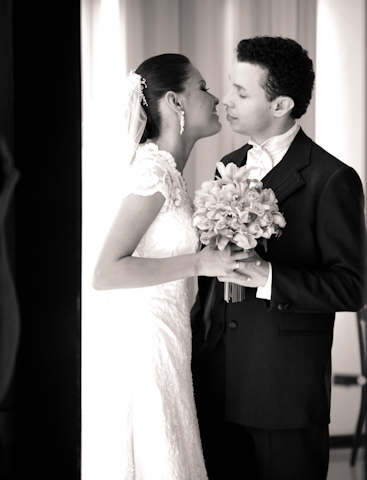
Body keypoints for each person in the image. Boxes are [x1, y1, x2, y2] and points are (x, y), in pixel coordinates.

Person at [191, 36, 366, 480]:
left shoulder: (333, 179)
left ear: (281, 104)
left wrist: (268, 276)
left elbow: (351, 287)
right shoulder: (227, 164)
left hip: (283, 392)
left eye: (242, 93)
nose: (225, 101)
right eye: (230, 86)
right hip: (216, 379)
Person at [89, 53, 252, 479]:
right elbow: (106, 272)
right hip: (145, 343)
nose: (214, 97)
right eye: (202, 87)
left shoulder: (171, 173)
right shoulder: (153, 171)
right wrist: (200, 262)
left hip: (171, 337)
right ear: (175, 102)